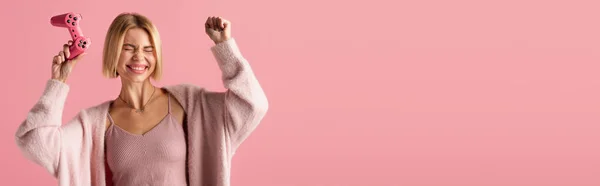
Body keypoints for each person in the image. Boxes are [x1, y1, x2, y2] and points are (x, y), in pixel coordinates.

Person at [14, 12, 268, 186]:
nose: (139, 58)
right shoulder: (94, 123)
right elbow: (35, 141)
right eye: (129, 48)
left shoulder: (190, 104)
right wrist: (58, 82)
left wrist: (226, 49)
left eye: (148, 50)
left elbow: (252, 104)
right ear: (113, 53)